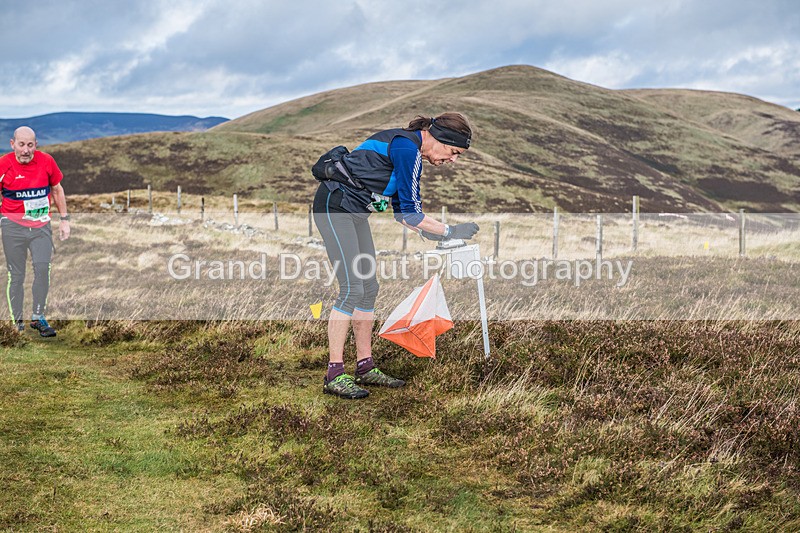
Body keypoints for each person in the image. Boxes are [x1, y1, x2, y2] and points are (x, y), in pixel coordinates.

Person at [312, 113, 480, 399]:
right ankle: (334, 374)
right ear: (439, 139)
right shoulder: (407, 148)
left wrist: (438, 233)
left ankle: (365, 366)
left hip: (354, 213)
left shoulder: (410, 151)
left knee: (369, 288)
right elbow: (411, 215)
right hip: (335, 207)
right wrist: (449, 230)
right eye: (453, 152)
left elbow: (403, 214)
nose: (453, 160)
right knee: (352, 289)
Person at [0, 126, 70, 337]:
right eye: (21, 145)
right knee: (17, 275)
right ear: (13, 144)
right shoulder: (3, 164)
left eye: (30, 145)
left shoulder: (47, 161)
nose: (25, 150)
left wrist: (64, 220)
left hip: (41, 228)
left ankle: (38, 317)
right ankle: (16, 324)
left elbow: (57, 189)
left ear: (36, 145)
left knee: (42, 270)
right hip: (12, 228)